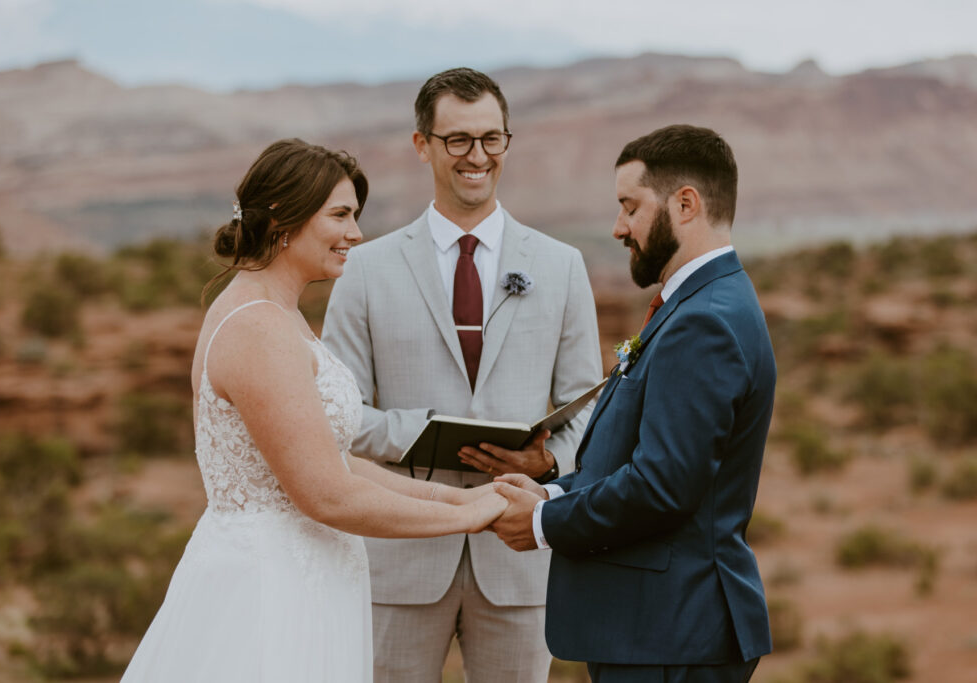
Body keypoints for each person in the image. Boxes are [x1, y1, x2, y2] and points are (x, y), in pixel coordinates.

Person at [121, 139, 506, 682]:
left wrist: (454, 494)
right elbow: (326, 494)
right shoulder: (258, 327)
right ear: (283, 217)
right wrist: (466, 517)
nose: (355, 233)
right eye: (341, 215)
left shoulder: (279, 315)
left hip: (310, 577)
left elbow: (332, 460)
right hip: (268, 592)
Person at [322, 68, 602, 682]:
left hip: (518, 554)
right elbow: (335, 413)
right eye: (457, 140)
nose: (477, 157)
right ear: (422, 145)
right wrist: (421, 434)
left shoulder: (561, 266)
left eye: (491, 139)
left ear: (507, 141)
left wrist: (547, 463)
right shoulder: (364, 271)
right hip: (399, 555)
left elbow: (587, 410)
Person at [492, 124, 777, 683]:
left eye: (630, 207)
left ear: (685, 204)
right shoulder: (696, 304)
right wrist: (550, 489)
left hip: (673, 630)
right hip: (659, 627)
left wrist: (545, 521)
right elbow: (636, 461)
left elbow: (662, 486)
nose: (618, 227)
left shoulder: (705, 321)